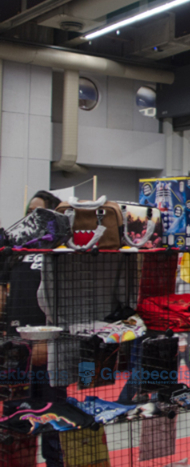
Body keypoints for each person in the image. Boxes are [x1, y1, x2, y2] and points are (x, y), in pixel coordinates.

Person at [0, 190, 64, 467]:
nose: (31, 217)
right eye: (29, 212)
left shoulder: (59, 250)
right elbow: (2, 290)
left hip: (49, 345)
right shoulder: (15, 249)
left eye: (38, 213)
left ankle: (55, 462)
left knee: (51, 411)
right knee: (15, 413)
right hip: (16, 346)